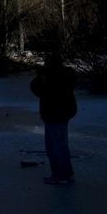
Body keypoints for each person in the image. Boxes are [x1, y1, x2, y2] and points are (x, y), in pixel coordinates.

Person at [30, 52, 77, 185]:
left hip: (54, 115)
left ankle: (59, 175)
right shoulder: (65, 75)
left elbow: (37, 89)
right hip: (63, 114)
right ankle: (66, 173)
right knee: (61, 145)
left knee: (54, 146)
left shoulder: (52, 77)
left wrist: (41, 76)